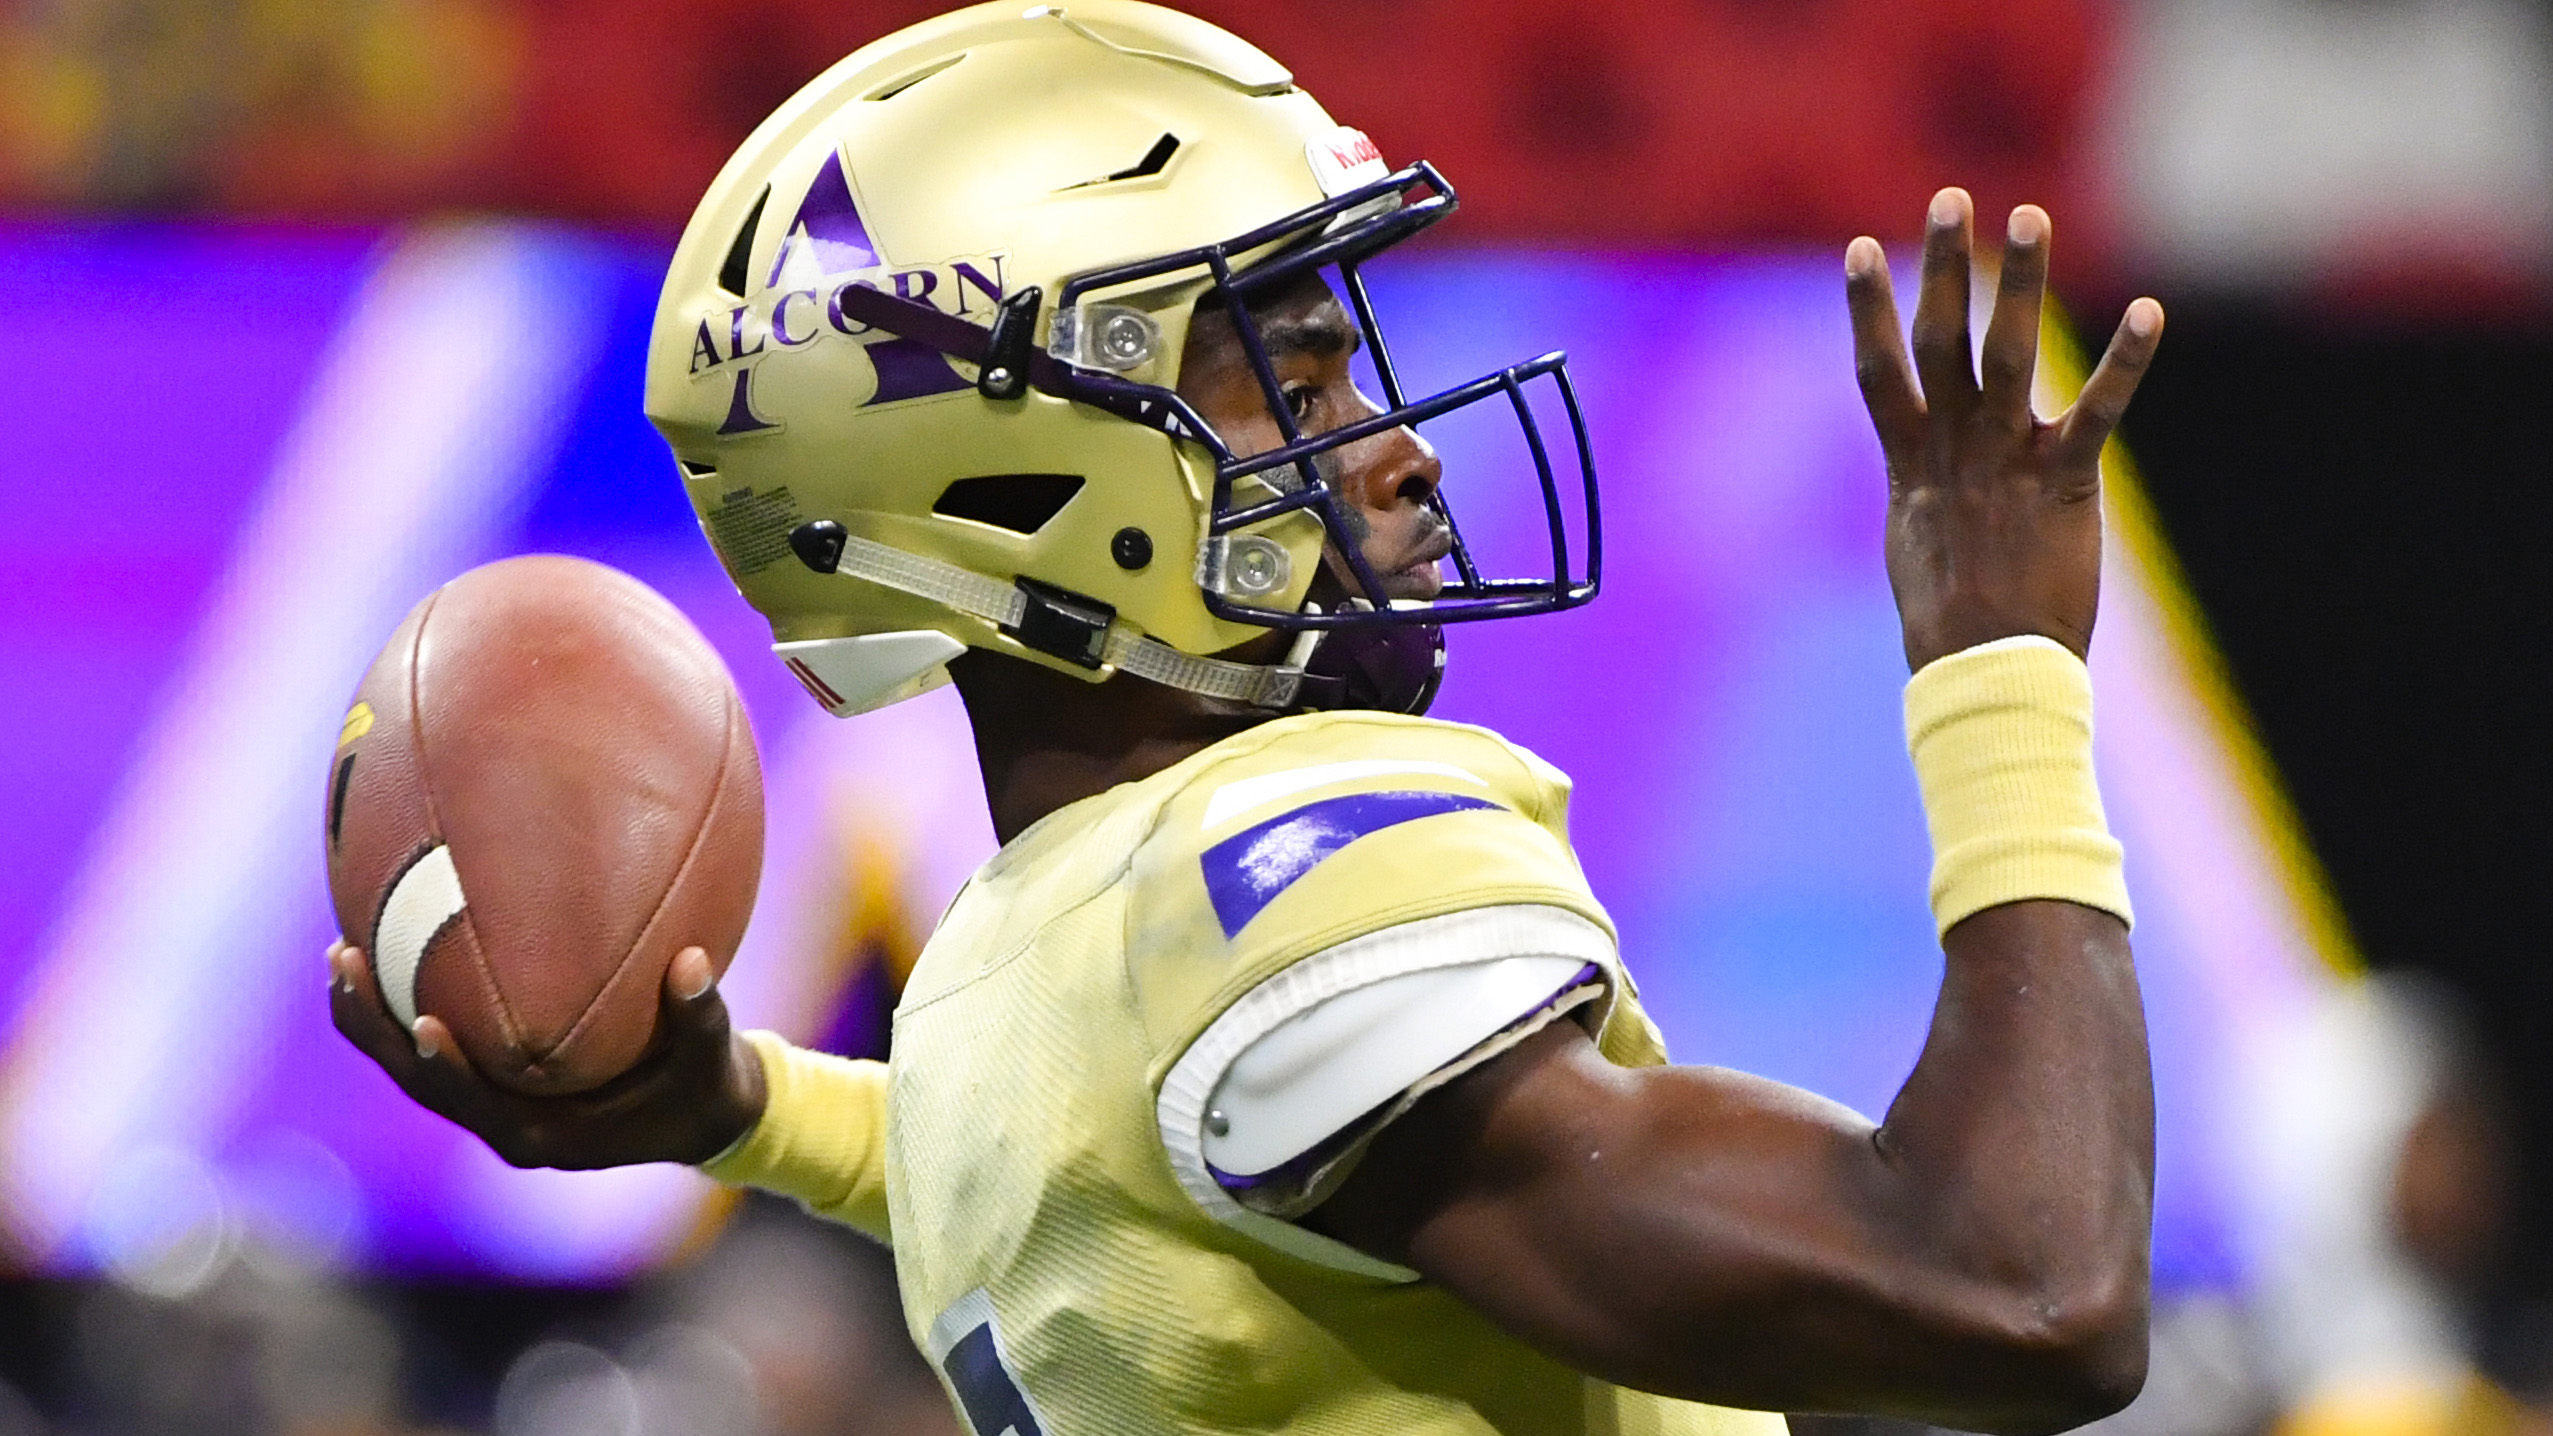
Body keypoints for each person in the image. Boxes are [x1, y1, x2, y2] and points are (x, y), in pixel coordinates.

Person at [327, 3, 2167, 1432]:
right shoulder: (1272, 868)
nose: (1396, 446)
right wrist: (2000, 666)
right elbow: (2013, 1287)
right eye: (1298, 375)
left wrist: (730, 1104)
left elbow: (1092, 1166)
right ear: (1026, 476)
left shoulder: (1007, 971)